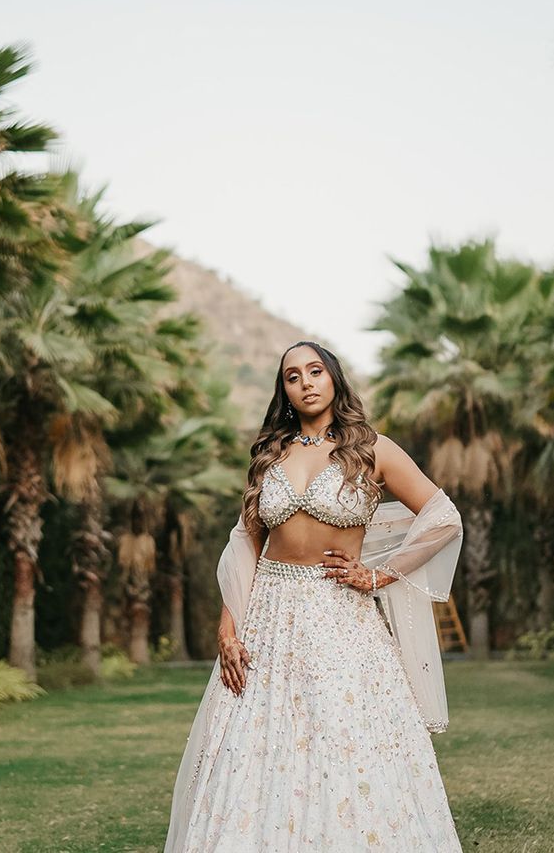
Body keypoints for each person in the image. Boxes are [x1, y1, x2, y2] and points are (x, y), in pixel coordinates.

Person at [163, 340, 464, 852]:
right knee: (255, 745)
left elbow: (443, 518)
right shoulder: (269, 455)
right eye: (293, 376)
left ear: (334, 378)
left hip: (341, 619)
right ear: (284, 389)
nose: (305, 382)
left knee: (344, 740)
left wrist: (380, 576)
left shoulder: (371, 449)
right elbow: (245, 544)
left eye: (315, 371)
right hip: (268, 618)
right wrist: (227, 628)